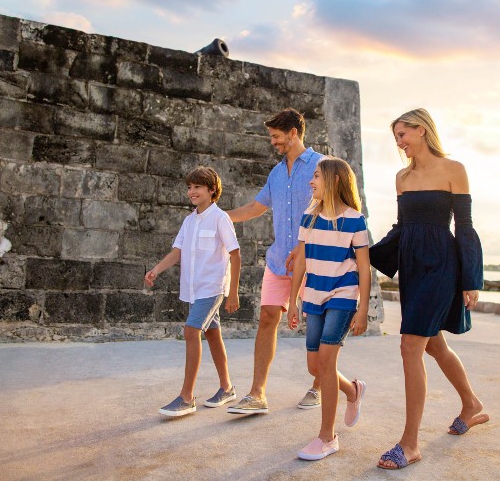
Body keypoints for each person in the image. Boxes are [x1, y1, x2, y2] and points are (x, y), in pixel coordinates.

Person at [370, 109, 488, 469]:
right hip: (413, 266)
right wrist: (365, 254)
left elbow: (464, 227)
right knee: (433, 344)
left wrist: (471, 278)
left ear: (422, 130)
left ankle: (409, 444)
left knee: (410, 345)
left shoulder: (454, 170)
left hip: (442, 264)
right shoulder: (401, 177)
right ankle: (472, 405)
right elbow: (401, 227)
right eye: (396, 138)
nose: (400, 143)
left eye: (403, 134)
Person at [226, 108, 324, 415]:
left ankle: (320, 386)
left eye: (276, 136)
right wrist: (219, 217)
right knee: (268, 317)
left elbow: (334, 208)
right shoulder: (277, 173)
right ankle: (257, 394)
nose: (273, 142)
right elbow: (256, 207)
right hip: (279, 260)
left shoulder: (323, 166)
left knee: (316, 324)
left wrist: (305, 245)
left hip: (315, 261)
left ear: (293, 133)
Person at [287, 156, 370, 461]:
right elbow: (301, 261)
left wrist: (362, 308)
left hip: (343, 296)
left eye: (317, 176)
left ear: (335, 180)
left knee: (326, 361)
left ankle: (327, 437)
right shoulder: (309, 216)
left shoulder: (355, 220)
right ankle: (352, 390)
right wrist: (293, 299)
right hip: (313, 295)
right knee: (316, 367)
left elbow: (364, 268)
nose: (311, 181)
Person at [146, 166, 241, 417]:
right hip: (193, 289)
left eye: (197, 187)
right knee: (212, 334)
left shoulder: (221, 218)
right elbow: (177, 252)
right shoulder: (188, 221)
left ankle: (187, 397)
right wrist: (156, 269)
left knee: (191, 331)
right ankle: (227, 388)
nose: (192, 191)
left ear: (212, 190)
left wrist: (233, 293)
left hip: (212, 287)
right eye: (189, 187)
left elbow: (235, 254)